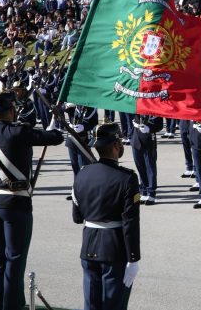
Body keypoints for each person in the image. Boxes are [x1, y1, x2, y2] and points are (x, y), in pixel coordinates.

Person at [0, 90, 64, 310]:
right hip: (16, 203)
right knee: (14, 259)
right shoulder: (20, 131)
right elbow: (55, 138)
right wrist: (57, 119)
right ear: (12, 110)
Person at [72, 123, 141, 309]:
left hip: (88, 245)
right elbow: (130, 222)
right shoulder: (127, 178)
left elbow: (77, 217)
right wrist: (133, 258)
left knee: (91, 304)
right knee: (113, 304)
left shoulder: (82, 174)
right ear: (115, 145)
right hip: (114, 248)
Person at [131, 114, 163, 205]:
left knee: (150, 168)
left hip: (148, 140)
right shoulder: (136, 105)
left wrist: (149, 128)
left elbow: (159, 125)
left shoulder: (153, 106)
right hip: (136, 139)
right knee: (140, 167)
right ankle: (144, 190)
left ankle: (151, 193)